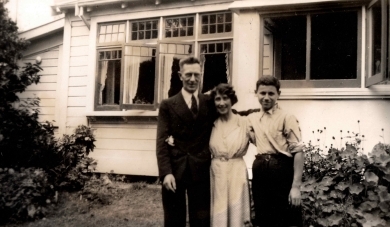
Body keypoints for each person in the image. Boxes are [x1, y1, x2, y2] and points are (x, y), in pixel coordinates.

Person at [156, 56, 216, 227]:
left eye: (197, 75)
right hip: (175, 170)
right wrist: (166, 172)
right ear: (179, 75)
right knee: (174, 219)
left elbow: (232, 115)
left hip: (201, 169)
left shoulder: (209, 102)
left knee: (201, 220)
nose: (192, 79)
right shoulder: (168, 105)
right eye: (188, 74)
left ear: (201, 75)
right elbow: (161, 141)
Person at [247, 75, 305, 227]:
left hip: (282, 172)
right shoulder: (252, 118)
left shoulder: (287, 117)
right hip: (260, 173)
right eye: (262, 93)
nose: (266, 97)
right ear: (256, 93)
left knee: (285, 218)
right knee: (263, 218)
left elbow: (298, 152)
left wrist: (295, 187)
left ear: (279, 94)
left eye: (271, 93)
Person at [209, 83, 253, 227]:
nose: (221, 103)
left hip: (237, 171)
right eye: (217, 99)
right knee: (219, 212)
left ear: (232, 100)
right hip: (217, 172)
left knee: (237, 213)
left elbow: (262, 141)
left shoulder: (244, 123)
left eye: (225, 98)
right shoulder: (211, 124)